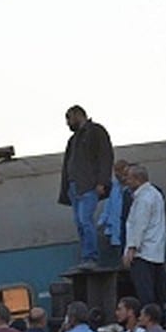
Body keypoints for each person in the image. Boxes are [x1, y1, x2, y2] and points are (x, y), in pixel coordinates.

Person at [58, 104, 114, 266]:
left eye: (69, 119)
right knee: (80, 223)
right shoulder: (73, 139)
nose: (68, 124)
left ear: (78, 115)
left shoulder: (96, 132)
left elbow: (105, 156)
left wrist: (102, 181)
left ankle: (91, 257)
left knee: (85, 220)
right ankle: (86, 256)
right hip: (75, 187)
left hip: (88, 186)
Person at [121, 164, 166, 307]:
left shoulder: (143, 199)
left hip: (143, 252)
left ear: (137, 180)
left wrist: (131, 248)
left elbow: (139, 225)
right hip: (157, 251)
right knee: (158, 294)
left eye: (128, 178)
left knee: (145, 294)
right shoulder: (155, 194)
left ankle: (149, 322)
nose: (126, 181)